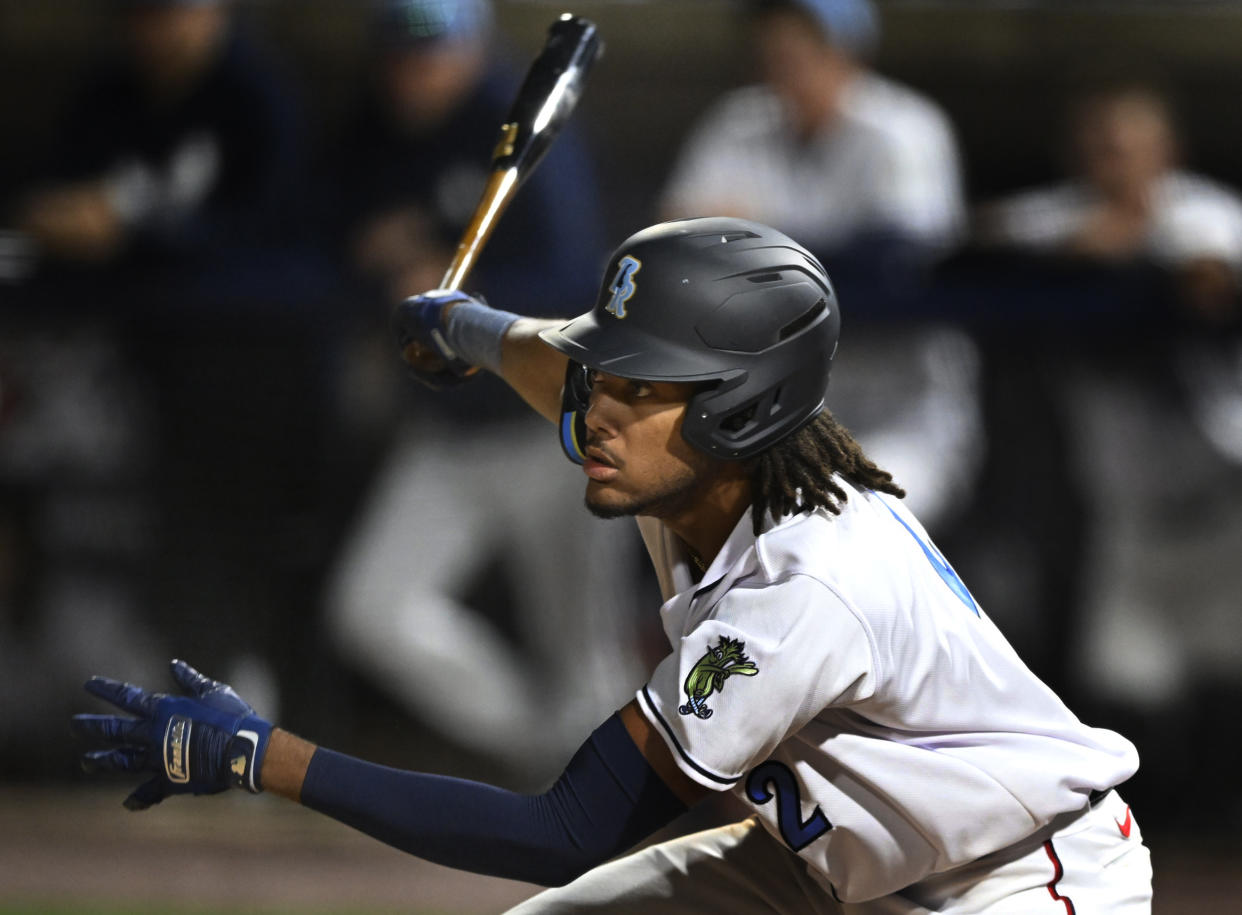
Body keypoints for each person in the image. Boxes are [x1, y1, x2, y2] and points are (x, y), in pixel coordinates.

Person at [74, 216, 1152, 912]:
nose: (599, 408)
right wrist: (465, 327)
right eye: (609, 374)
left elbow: (565, 833)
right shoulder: (701, 466)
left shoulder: (803, 588)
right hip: (837, 867)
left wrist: (265, 757)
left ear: (741, 407)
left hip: (1016, 883)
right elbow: (559, 364)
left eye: (640, 384)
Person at [321, 0, 633, 777]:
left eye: (431, 50)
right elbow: (319, 226)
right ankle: (547, 756)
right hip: (450, 433)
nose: (412, 70)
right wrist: (371, 249)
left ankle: (639, 829)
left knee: (589, 673)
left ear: (473, 44)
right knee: (371, 610)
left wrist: (464, 291)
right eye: (399, 51)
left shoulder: (514, 120)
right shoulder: (372, 131)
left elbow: (574, 286)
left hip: (552, 431)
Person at [978, 79, 1242, 831]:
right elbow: (974, 237)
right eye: (1098, 146)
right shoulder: (1066, 214)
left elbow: (1209, 277)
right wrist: (1074, 244)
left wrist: (1127, 251)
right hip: (1130, 518)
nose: (1112, 160)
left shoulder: (1205, 211)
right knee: (1127, 703)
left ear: (1166, 152)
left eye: (1127, 146)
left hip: (1223, 502)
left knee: (1226, 702)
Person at [661, 0, 981, 535]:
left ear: (847, 47)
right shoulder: (737, 122)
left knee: (839, 532)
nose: (785, 56)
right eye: (773, 43)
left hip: (904, 415)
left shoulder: (905, 129)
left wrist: (758, 236)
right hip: (781, 416)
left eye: (803, 40)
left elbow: (897, 266)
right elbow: (673, 245)